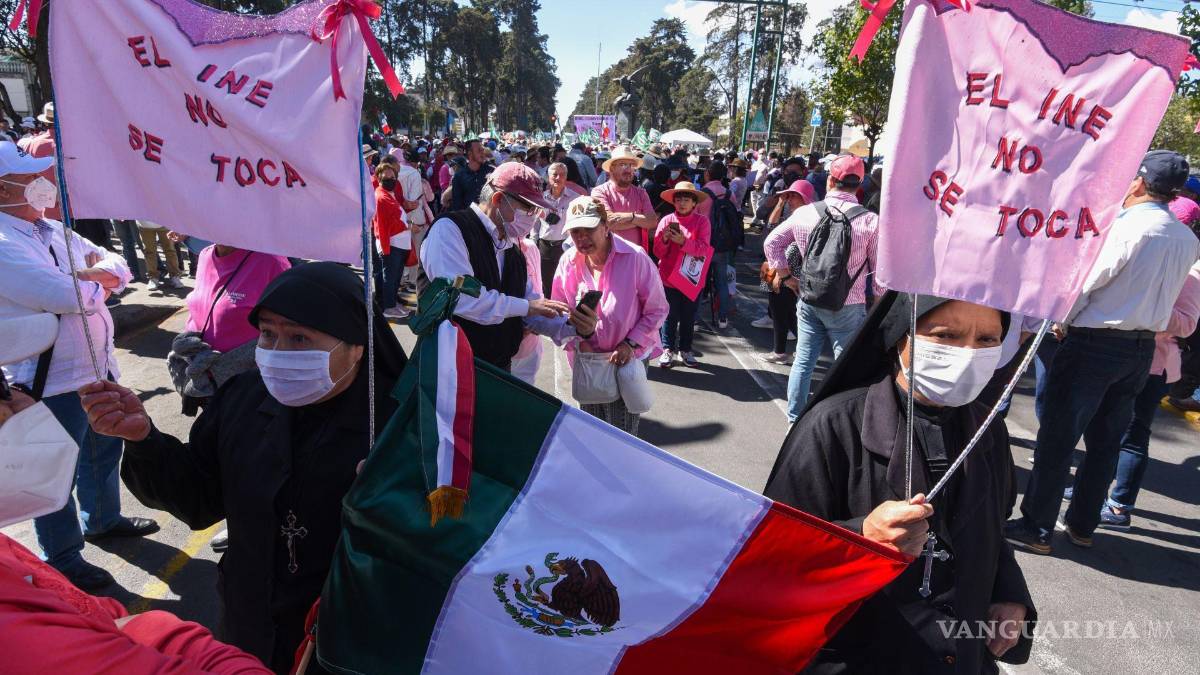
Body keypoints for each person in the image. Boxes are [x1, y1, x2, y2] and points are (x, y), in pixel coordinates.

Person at [81, 263, 408, 673]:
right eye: (268, 334)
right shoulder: (242, 398)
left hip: (349, 638)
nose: (278, 353)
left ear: (358, 345)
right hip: (248, 619)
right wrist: (144, 439)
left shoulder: (398, 427)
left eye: (300, 337)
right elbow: (199, 500)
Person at [765, 292, 1036, 674]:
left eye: (987, 340)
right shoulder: (832, 427)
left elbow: (993, 531)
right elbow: (773, 557)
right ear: (900, 336)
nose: (968, 353)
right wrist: (861, 536)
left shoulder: (988, 429)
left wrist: (1009, 594)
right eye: (945, 335)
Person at [1007, 150, 1200, 554]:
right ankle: (1082, 524)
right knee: (1106, 442)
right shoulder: (1185, 238)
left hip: (1096, 342)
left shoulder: (1128, 229)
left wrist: (1062, 317)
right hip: (1140, 347)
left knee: (1059, 437)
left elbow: (1089, 281)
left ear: (1140, 182)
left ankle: (1038, 526)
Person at [0, 142, 157, 591]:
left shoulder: (50, 230)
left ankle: (103, 520)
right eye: (29, 177)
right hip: (47, 382)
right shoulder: (4, 241)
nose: (43, 184)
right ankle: (64, 559)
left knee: (102, 450)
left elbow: (118, 264)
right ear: (2, 187)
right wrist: (93, 284)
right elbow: (64, 297)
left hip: (94, 367)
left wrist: (98, 277)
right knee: (53, 474)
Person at [420, 162, 593, 371]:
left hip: (498, 366)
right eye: (528, 208)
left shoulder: (512, 251)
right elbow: (462, 298)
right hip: (452, 368)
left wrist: (574, 326)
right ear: (498, 199)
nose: (534, 216)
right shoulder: (451, 230)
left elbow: (530, 306)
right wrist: (528, 306)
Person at [1097, 260, 1200, 530]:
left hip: (1156, 366)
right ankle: (1095, 489)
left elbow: (1186, 324)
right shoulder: (1176, 267)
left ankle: (1119, 507)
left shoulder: (1192, 275)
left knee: (1133, 435)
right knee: (1109, 429)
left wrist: (1143, 306)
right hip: (1134, 359)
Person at [552, 196, 667, 434]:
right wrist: (577, 338)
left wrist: (630, 343)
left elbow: (657, 309)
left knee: (621, 434)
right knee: (591, 430)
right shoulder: (567, 262)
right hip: (587, 361)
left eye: (589, 229)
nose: (581, 238)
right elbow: (558, 310)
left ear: (605, 226)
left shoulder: (635, 258)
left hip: (625, 359)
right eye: (575, 232)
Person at [778, 155, 879, 422]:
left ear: (830, 180)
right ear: (859, 185)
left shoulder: (805, 213)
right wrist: (876, 304)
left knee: (803, 361)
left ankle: (794, 420)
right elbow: (878, 272)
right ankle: (838, 424)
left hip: (809, 296)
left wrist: (787, 277)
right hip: (849, 302)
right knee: (845, 367)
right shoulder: (870, 222)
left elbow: (772, 243)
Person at [758, 180, 819, 365]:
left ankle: (799, 354)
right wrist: (780, 203)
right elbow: (770, 228)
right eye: (789, 195)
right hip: (775, 270)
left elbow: (796, 251)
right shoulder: (793, 217)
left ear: (805, 199)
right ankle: (780, 351)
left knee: (793, 316)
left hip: (792, 275)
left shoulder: (809, 219)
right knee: (777, 313)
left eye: (794, 196)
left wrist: (787, 276)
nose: (790, 199)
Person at [652, 181, 710, 368]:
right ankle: (667, 349)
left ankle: (685, 349)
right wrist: (666, 240)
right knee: (669, 315)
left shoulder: (702, 222)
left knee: (688, 316)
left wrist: (684, 242)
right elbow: (658, 252)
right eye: (679, 199)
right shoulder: (666, 220)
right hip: (668, 277)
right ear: (674, 202)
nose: (682, 203)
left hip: (691, 278)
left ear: (694, 203)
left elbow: (703, 249)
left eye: (686, 199)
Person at [592, 145, 657, 251]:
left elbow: (652, 221)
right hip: (610, 257)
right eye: (623, 164)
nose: (628, 169)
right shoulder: (599, 192)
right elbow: (609, 222)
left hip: (637, 258)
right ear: (612, 168)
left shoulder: (641, 193)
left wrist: (630, 217)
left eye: (631, 165)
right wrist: (639, 221)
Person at [534, 162, 584, 296]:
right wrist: (534, 243)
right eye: (554, 174)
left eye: (561, 175)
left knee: (565, 282)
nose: (558, 178)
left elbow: (578, 225)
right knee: (544, 282)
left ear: (566, 177)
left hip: (564, 246)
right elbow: (535, 223)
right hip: (543, 245)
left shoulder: (575, 199)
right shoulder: (540, 198)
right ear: (548, 177)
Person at [371, 163, 411, 319]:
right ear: (379, 177)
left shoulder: (389, 194)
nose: (390, 180)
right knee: (390, 277)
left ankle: (392, 303)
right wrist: (385, 248)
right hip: (392, 244)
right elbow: (381, 225)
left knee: (395, 277)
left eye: (393, 177)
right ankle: (389, 307)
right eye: (386, 177)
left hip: (399, 244)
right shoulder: (380, 196)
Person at [137, 220, 184, 289]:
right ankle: (153, 278)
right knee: (149, 252)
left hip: (165, 222)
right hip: (144, 224)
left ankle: (175, 276)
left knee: (170, 250)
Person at [449, 139, 493, 210]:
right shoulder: (459, 176)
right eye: (479, 150)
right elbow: (457, 205)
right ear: (470, 153)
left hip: (488, 218)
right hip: (469, 218)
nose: (483, 153)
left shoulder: (491, 171)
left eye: (482, 150)